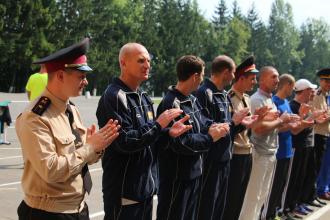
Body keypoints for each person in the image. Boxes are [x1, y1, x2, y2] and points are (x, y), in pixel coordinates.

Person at [15, 38, 121, 220]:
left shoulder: (70, 109)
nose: (86, 82)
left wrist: (96, 147)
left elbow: (79, 159)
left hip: (77, 208)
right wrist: (89, 148)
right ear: (61, 76)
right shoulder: (35, 117)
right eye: (81, 76)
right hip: (48, 213)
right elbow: (51, 170)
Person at [96, 43, 192, 220]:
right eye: (141, 61)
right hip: (125, 193)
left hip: (145, 190)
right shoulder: (113, 97)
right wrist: (158, 125)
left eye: (148, 60)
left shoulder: (144, 97)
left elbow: (149, 138)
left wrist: (167, 132)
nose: (147, 65)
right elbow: (124, 142)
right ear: (123, 63)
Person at [156, 55, 229, 220]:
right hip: (177, 178)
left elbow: (203, 122)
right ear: (195, 76)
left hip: (194, 174)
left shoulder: (192, 99)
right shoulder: (172, 103)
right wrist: (210, 138)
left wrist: (214, 126)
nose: (202, 80)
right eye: (202, 76)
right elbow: (183, 142)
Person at [194, 55, 255, 220]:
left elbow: (229, 128)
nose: (234, 76)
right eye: (234, 72)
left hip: (225, 158)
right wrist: (233, 122)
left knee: (219, 206)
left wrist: (242, 124)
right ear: (226, 72)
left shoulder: (223, 95)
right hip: (210, 161)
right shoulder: (204, 93)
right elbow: (206, 128)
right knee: (206, 206)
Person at [239, 66, 295, 220]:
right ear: (262, 79)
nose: (277, 80)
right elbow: (258, 129)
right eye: (273, 77)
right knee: (253, 197)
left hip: (270, 153)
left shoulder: (269, 98)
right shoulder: (257, 99)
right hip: (259, 154)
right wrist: (280, 120)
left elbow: (273, 127)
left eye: (277, 77)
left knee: (262, 196)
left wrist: (290, 123)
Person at [223, 56, 260, 220]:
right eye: (252, 78)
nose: (255, 82)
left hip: (247, 152)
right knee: (230, 197)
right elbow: (230, 127)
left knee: (240, 197)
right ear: (241, 78)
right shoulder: (229, 97)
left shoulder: (246, 98)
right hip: (235, 154)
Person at [265, 74, 304, 219]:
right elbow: (274, 128)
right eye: (292, 86)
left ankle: (276, 213)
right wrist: (288, 124)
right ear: (286, 84)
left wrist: (301, 120)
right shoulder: (274, 102)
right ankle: (268, 215)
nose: (293, 89)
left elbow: (291, 128)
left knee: (281, 186)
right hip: (278, 151)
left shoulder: (286, 102)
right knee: (272, 188)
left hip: (288, 150)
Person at [313, 68, 330, 201]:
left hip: (326, 133)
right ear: (321, 80)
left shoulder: (326, 95)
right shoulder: (317, 95)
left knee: (326, 163)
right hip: (318, 133)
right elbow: (317, 117)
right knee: (319, 164)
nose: (329, 84)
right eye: (326, 81)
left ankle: (323, 188)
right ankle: (319, 190)